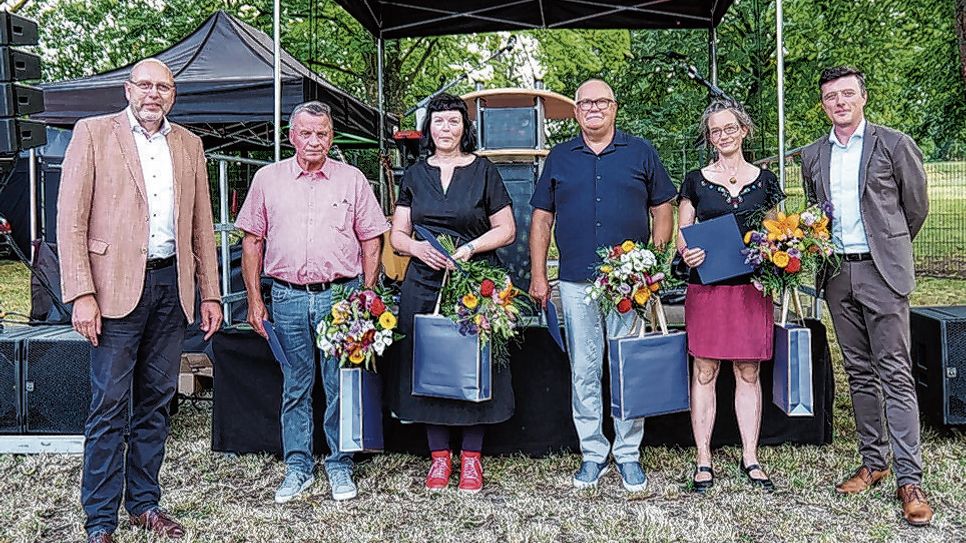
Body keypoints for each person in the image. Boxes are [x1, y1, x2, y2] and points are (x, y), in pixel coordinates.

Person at [57, 58, 222, 543]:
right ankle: (101, 520)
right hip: (112, 291)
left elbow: (201, 228)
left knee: (157, 401)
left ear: (173, 95)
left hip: (172, 287)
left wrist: (210, 291)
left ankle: (144, 503)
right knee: (109, 405)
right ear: (128, 90)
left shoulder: (189, 144)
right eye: (145, 85)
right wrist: (81, 293)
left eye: (164, 87)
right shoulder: (92, 133)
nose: (154, 94)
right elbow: (71, 220)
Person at [235, 101, 388, 504]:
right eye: (306, 133)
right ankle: (298, 466)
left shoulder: (352, 179)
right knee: (296, 386)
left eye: (322, 134)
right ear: (292, 136)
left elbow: (372, 239)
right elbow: (252, 241)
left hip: (340, 297)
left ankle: (340, 464)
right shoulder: (267, 179)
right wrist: (255, 300)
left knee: (340, 384)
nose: (314, 141)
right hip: (285, 297)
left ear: (331, 136)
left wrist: (366, 294)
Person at [529, 79, 676, 492]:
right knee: (585, 370)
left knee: (627, 366)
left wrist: (656, 263)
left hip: (629, 284)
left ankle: (628, 452)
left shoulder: (640, 151)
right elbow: (542, 218)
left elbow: (662, 207)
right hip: (576, 281)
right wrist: (540, 274)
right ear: (576, 112)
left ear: (614, 107)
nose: (593, 108)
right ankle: (593, 452)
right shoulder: (559, 157)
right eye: (585, 103)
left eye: (601, 102)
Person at [801, 66, 931, 526]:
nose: (840, 102)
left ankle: (909, 479)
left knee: (894, 372)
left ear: (863, 97)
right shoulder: (813, 154)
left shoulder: (893, 144)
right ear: (823, 104)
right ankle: (874, 463)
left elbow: (915, 206)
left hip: (882, 272)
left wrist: (888, 247)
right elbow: (816, 212)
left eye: (848, 94)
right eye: (831, 96)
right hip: (837, 272)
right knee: (858, 371)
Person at [387, 93, 516, 494]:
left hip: (474, 281)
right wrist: (417, 249)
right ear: (429, 128)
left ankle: (472, 460)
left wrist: (470, 248)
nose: (447, 129)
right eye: (439, 122)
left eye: (454, 122)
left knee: (474, 365)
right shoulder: (413, 174)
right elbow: (397, 236)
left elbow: (507, 229)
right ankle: (440, 459)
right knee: (429, 366)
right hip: (423, 282)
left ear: (465, 128)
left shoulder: (484, 172)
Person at [677, 100, 784, 494]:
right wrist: (686, 252)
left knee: (748, 372)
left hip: (751, 289)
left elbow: (777, 235)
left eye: (729, 128)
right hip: (707, 288)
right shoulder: (694, 181)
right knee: (704, 371)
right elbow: (683, 234)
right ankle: (703, 458)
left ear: (744, 130)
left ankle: (750, 456)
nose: (722, 135)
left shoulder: (766, 180)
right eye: (715, 131)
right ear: (709, 137)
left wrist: (776, 255)